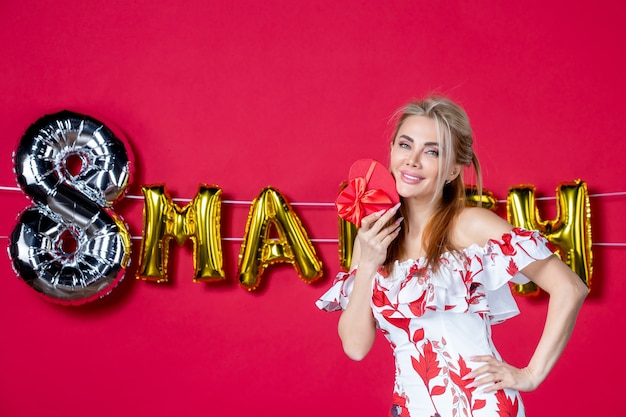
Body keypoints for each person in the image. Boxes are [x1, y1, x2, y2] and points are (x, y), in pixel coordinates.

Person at [316, 96, 588, 417]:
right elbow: (356, 347)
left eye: (432, 151)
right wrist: (369, 263)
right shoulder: (373, 236)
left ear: (453, 170)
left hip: (480, 407)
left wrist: (531, 374)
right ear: (391, 151)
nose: (412, 161)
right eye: (405, 145)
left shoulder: (470, 225)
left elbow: (570, 287)